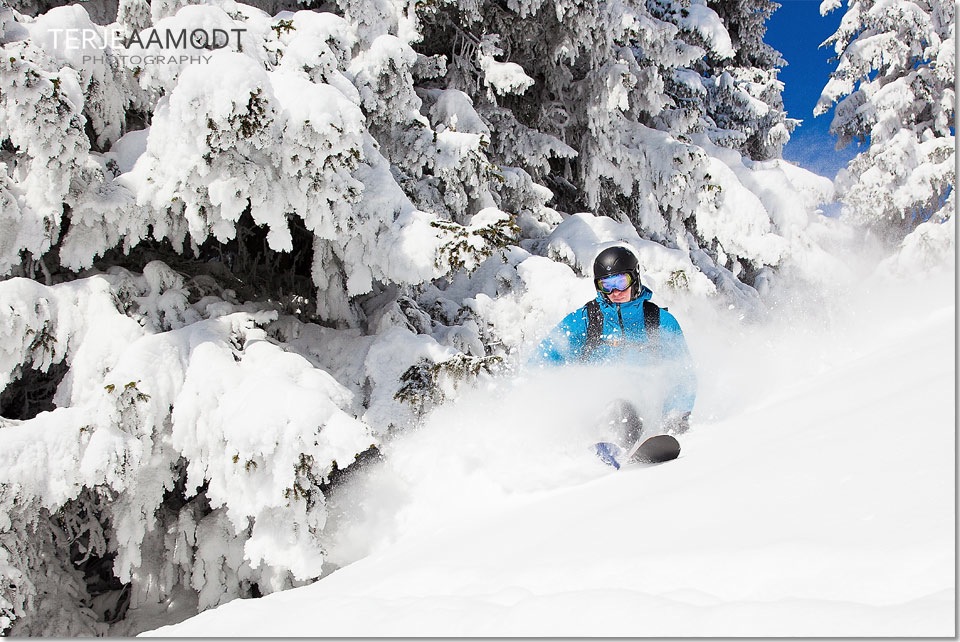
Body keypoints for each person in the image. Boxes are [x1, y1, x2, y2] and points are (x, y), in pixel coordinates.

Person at [534, 245, 697, 460]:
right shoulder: (586, 320)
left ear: (635, 279)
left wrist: (676, 416)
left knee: (625, 407)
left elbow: (682, 373)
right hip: (593, 414)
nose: (615, 292)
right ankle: (601, 445)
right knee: (617, 407)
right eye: (607, 285)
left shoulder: (657, 321)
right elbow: (544, 357)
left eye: (621, 282)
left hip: (645, 412)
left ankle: (627, 447)